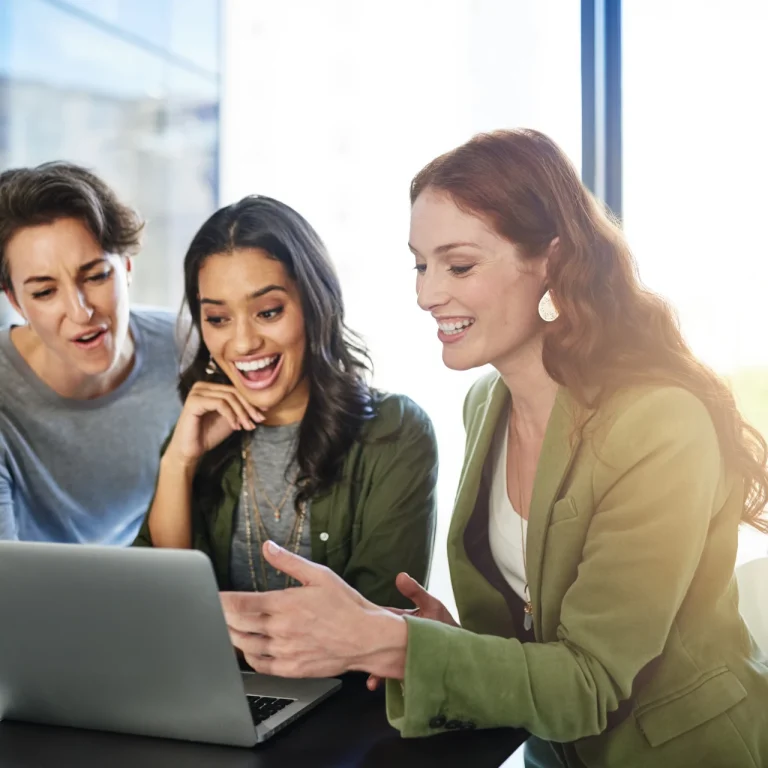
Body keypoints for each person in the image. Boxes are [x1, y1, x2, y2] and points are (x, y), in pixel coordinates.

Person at [217, 130, 768, 768]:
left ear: (551, 261)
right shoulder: (486, 404)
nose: (427, 294)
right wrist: (438, 639)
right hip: (547, 754)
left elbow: (591, 684)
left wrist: (392, 643)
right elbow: (532, 646)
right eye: (420, 265)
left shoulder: (658, 425)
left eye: (459, 266)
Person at [134, 195, 438, 607]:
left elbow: (382, 618)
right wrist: (178, 464)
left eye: (268, 312)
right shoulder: (197, 432)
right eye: (218, 319)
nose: (243, 342)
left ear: (315, 304)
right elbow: (162, 604)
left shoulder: (396, 433)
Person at [0, 162, 181, 544]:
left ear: (126, 267)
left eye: (97, 276)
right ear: (15, 302)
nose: (81, 312)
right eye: (44, 292)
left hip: (144, 574)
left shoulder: (187, 348)